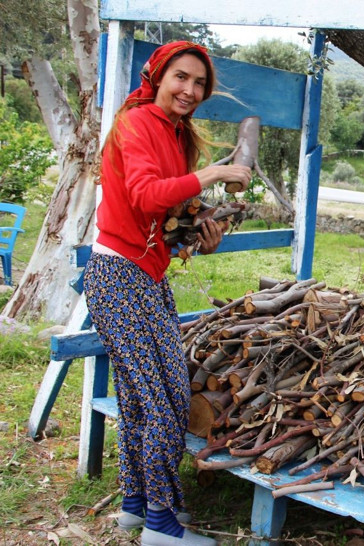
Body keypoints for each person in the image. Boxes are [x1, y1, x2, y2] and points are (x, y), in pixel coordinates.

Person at [84, 41, 252, 546]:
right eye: (181, 77)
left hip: (147, 278)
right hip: (117, 277)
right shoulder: (136, 124)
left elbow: (166, 216)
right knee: (162, 401)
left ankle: (135, 505)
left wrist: (200, 229)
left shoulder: (176, 134)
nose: (190, 90)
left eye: (199, 83)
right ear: (157, 76)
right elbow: (143, 194)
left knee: (148, 399)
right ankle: (161, 524)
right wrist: (216, 172)